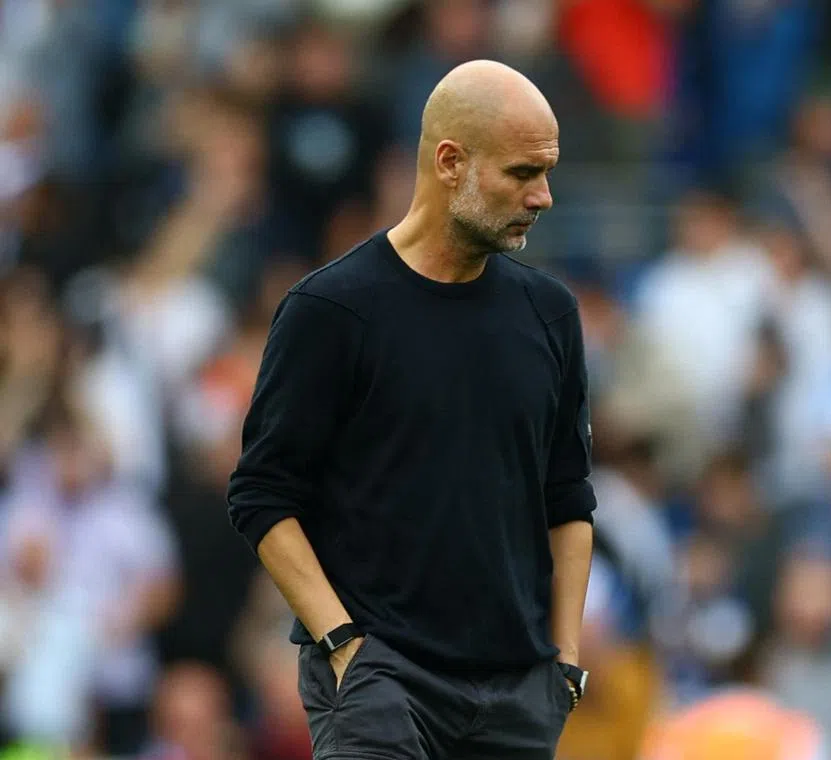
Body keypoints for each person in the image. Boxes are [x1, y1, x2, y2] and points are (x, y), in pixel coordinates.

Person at [226, 60, 595, 759]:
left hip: (517, 694)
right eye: (522, 172)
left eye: (547, 172)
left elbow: (569, 497)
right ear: (450, 162)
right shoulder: (331, 309)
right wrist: (342, 644)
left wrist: (565, 664)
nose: (543, 196)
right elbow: (261, 494)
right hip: (383, 681)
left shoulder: (551, 314)